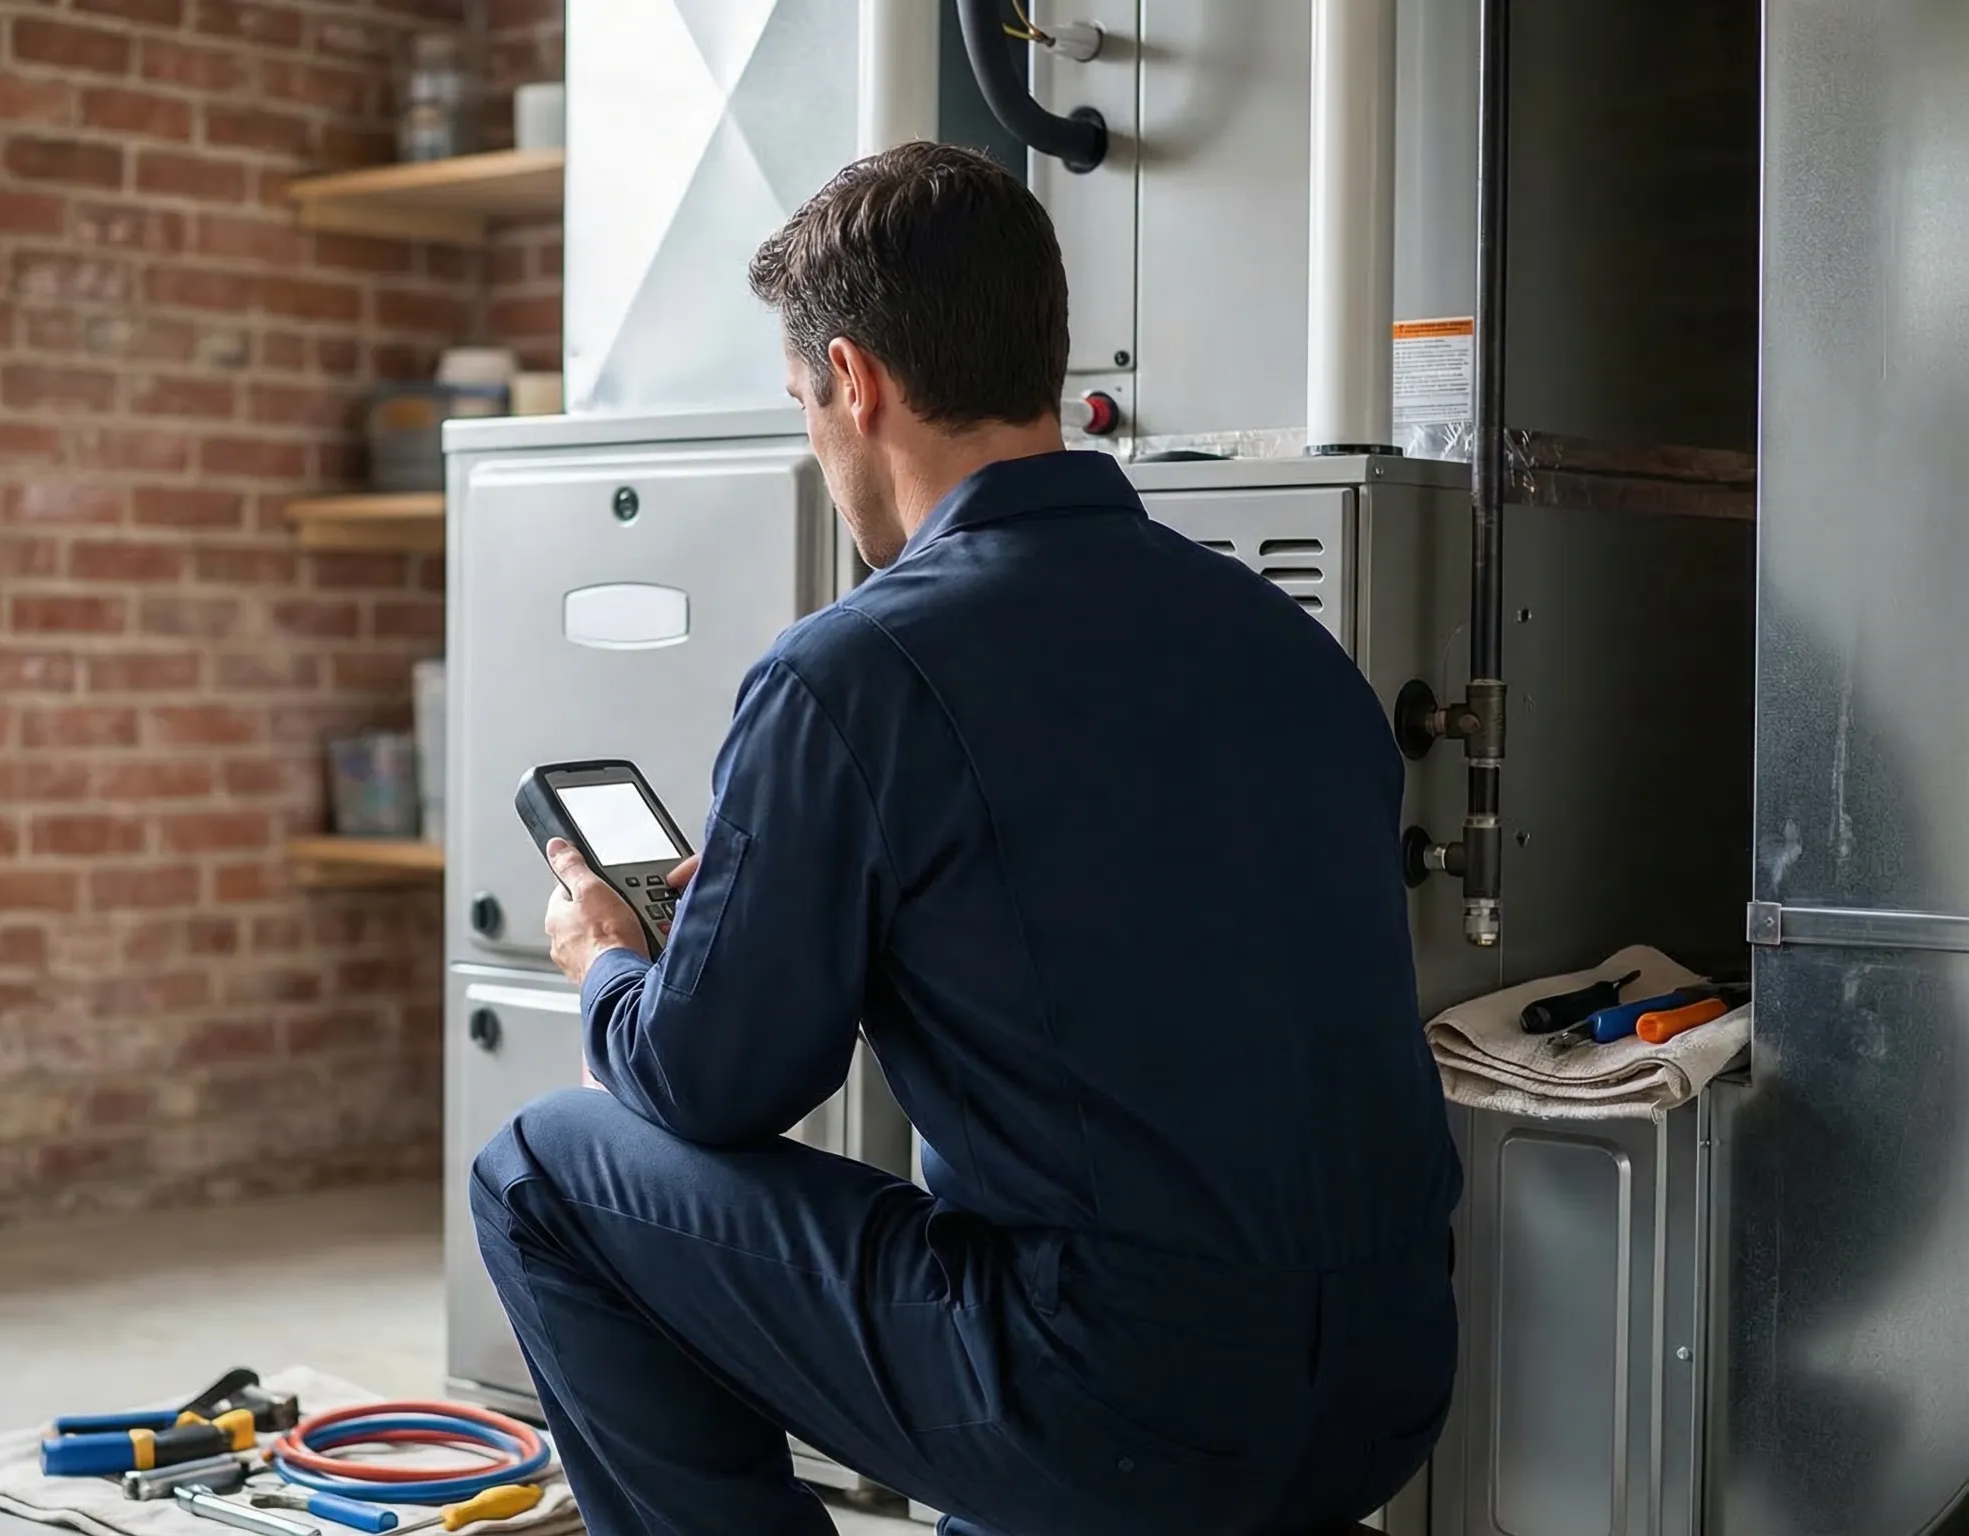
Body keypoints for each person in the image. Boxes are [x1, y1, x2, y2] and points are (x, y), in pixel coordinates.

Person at [466, 141, 1463, 1536]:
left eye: (803, 401)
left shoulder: (850, 672)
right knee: (1042, 1268)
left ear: (854, 383)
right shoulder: (1288, 649)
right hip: (1384, 1391)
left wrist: (609, 966)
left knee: (540, 1170)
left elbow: (710, 1085)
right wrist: (783, 898)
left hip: (1113, 1407)